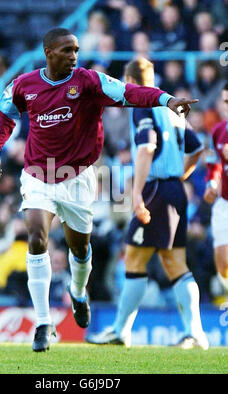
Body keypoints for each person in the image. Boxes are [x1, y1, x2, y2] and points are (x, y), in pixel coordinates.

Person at [0, 28, 198, 352]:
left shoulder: (88, 81)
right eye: (67, 50)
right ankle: (43, 324)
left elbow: (131, 93)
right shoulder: (25, 86)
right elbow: (3, 116)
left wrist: (167, 100)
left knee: (79, 250)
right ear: (48, 52)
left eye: (77, 50)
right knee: (36, 237)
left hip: (78, 177)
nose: (74, 56)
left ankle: (78, 291)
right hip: (38, 174)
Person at [86, 57, 209, 350]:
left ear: (129, 80)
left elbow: (145, 148)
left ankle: (120, 330)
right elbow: (196, 147)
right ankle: (194, 333)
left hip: (155, 189)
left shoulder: (143, 106)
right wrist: (179, 174)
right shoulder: (173, 109)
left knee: (137, 258)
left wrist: (138, 192)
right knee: (173, 262)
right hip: (174, 190)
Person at [204, 83, 228, 295]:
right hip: (224, 202)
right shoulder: (218, 131)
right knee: (222, 261)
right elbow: (214, 164)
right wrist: (211, 183)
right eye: (225, 102)